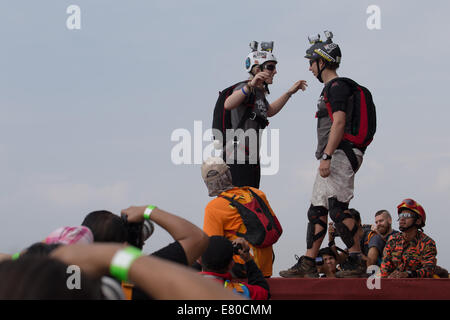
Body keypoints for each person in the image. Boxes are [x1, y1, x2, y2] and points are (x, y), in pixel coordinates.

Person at [280, 31, 370, 278]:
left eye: (311, 62)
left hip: (341, 153)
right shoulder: (332, 88)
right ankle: (309, 261)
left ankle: (357, 259)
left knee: (337, 209)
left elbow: (339, 122)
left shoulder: (336, 87)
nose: (309, 68)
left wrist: (327, 156)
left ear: (322, 61)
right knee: (317, 210)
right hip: (335, 153)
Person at [222, 41, 307, 188]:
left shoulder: (259, 94)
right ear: (257, 69)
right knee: (241, 204)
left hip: (252, 158)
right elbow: (228, 104)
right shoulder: (244, 88)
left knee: (252, 202)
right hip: (237, 157)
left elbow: (269, 111)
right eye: (270, 67)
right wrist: (250, 85)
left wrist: (289, 93)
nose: (275, 71)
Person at [201, 156, 281, 278]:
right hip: (265, 268)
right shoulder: (257, 193)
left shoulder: (214, 207)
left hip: (241, 270)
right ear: (228, 174)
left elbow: (212, 248)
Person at [380, 198, 437, 278]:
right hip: (394, 286)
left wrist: (408, 274)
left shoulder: (427, 243)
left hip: (418, 287)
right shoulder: (393, 240)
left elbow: (429, 269)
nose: (402, 219)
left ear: (418, 221)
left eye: (407, 216)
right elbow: (384, 269)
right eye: (401, 215)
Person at [200, 236, 269, 300]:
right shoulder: (238, 291)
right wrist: (248, 259)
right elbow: (264, 292)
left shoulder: (190, 285)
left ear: (200, 260)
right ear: (231, 264)